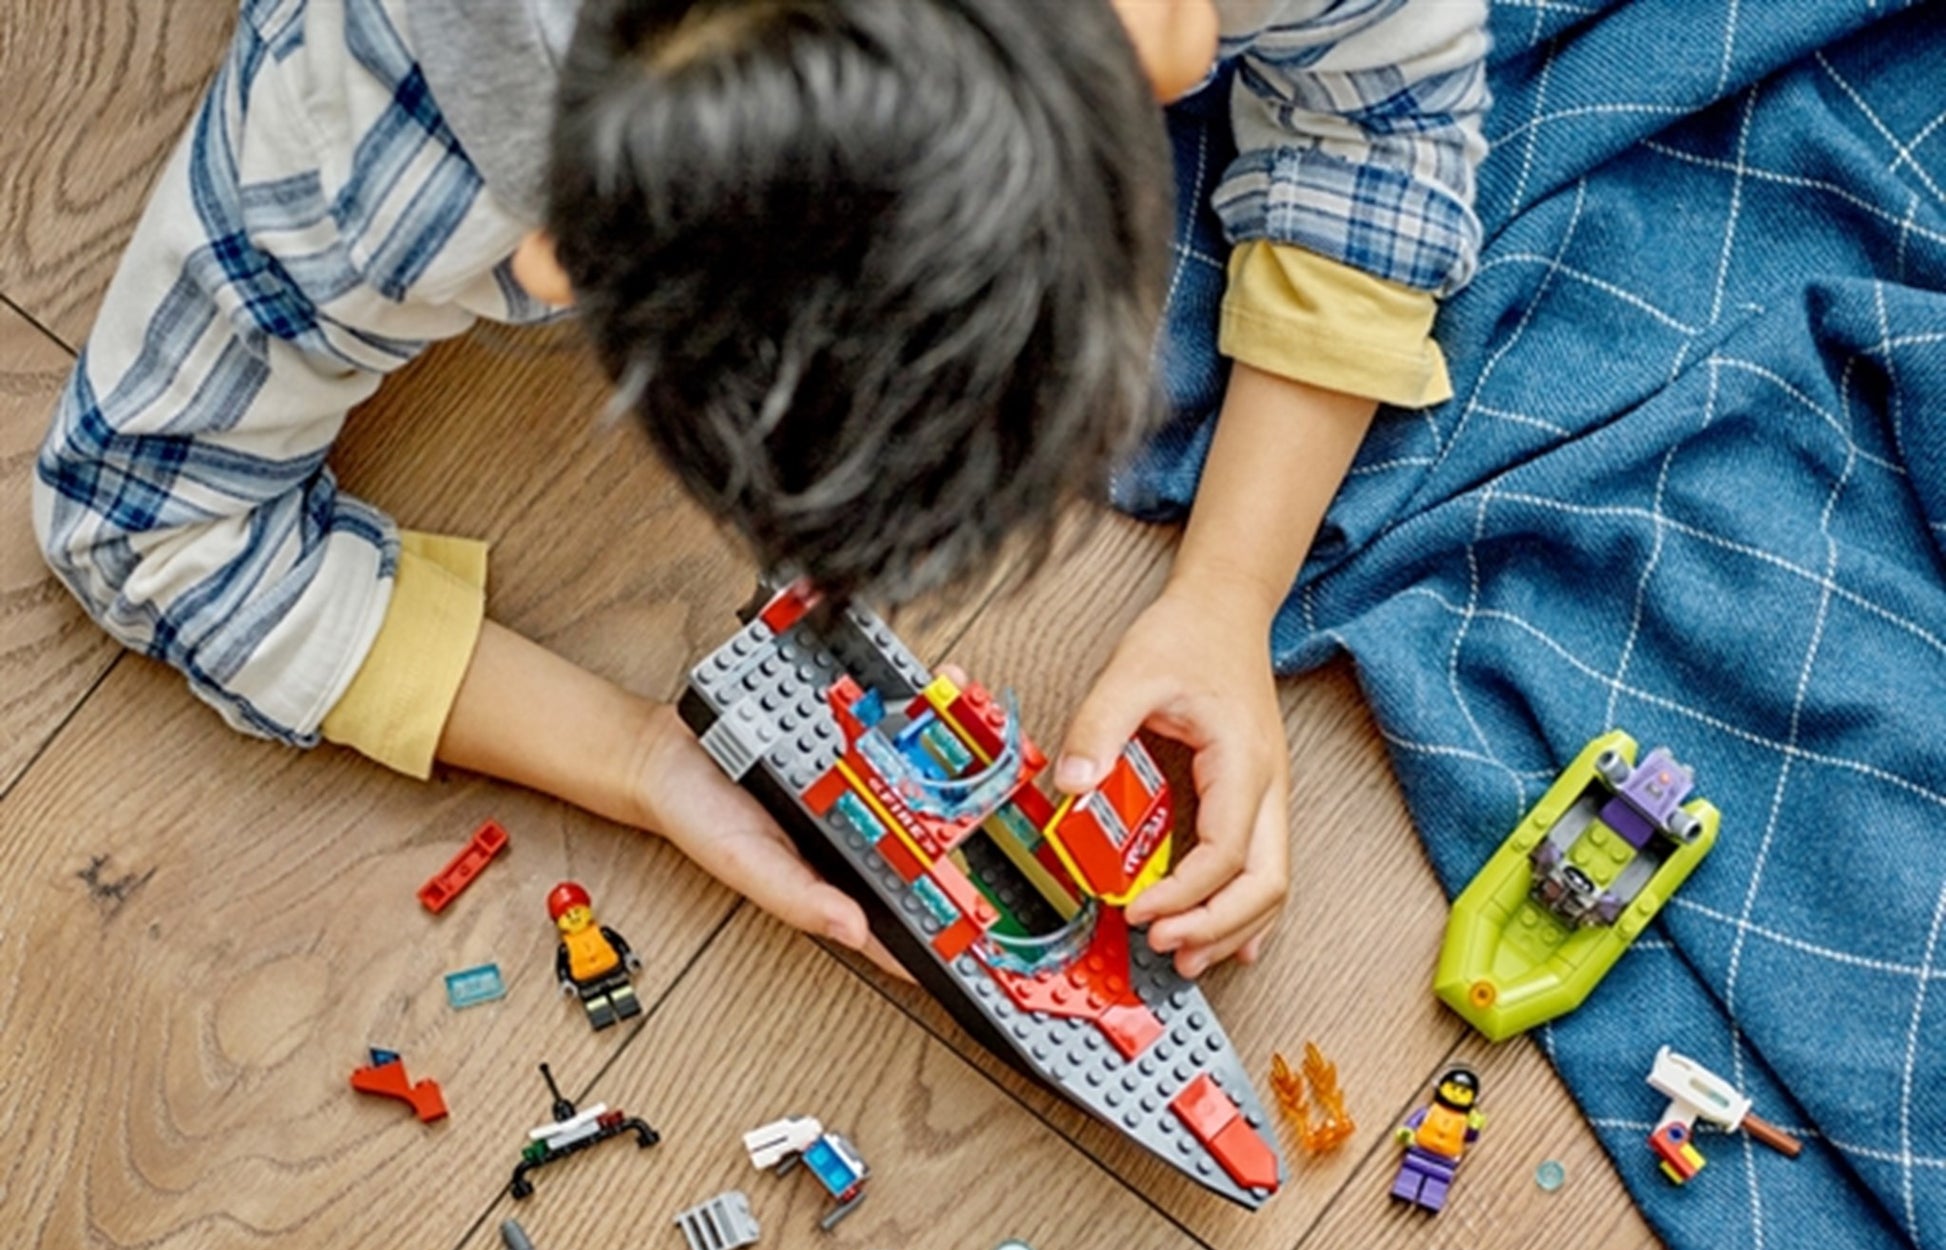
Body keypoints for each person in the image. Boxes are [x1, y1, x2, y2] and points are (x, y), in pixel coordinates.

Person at [33, 0, 1486, 978]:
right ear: (559, 261)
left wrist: (1228, 593)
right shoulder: (379, 149)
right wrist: (637, 759)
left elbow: (1389, 111)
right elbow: (146, 523)